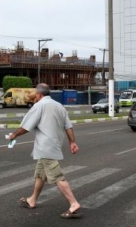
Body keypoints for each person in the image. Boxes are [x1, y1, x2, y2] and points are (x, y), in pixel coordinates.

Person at [8, 83, 81, 219]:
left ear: (39, 95)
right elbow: (68, 126)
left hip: (46, 147)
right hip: (52, 146)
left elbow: (26, 127)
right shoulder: (59, 106)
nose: (35, 96)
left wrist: (14, 135)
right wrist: (72, 142)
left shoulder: (39, 106)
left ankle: (73, 203)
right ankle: (32, 200)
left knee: (57, 176)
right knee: (40, 174)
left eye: (36, 94)